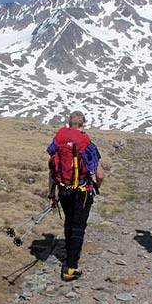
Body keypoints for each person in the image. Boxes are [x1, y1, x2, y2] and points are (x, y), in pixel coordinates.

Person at [47, 111, 104, 281]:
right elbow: (100, 174)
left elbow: (51, 169)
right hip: (83, 191)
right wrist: (96, 185)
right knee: (79, 226)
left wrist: (51, 193)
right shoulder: (87, 145)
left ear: (68, 123)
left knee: (69, 221)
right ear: (83, 124)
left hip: (63, 189)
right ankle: (71, 267)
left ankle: (68, 255)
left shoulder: (58, 141)